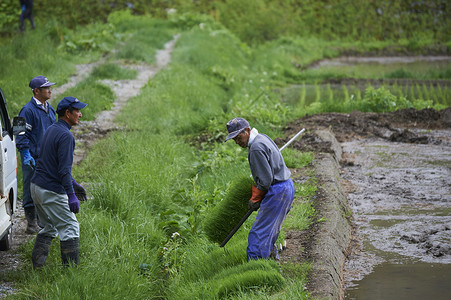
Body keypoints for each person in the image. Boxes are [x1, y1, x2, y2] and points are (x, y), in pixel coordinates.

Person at [225, 117, 295, 261]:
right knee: (270, 230)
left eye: (239, 138)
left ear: (248, 131)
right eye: (234, 140)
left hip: (277, 191)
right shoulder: (262, 138)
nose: (237, 142)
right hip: (287, 186)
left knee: (258, 234)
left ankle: (256, 267)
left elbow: (265, 180)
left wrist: (255, 198)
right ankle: (271, 261)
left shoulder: (256, 148)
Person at [30, 96, 87, 268]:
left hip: (36, 186)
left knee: (49, 227)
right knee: (70, 226)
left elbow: (52, 162)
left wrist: (73, 182)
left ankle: (37, 269)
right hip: (50, 189)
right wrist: (71, 195)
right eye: (77, 111)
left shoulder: (52, 129)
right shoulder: (66, 136)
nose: (80, 114)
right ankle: (70, 274)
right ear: (67, 113)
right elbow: (63, 171)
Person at [16, 75, 56, 234]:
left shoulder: (50, 108)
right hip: (33, 158)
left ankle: (42, 221)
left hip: (47, 158)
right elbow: (18, 132)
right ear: (37, 91)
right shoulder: (26, 110)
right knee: (30, 189)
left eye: (50, 87)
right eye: (47, 88)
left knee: (45, 190)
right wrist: (26, 154)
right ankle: (31, 223)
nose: (50, 90)